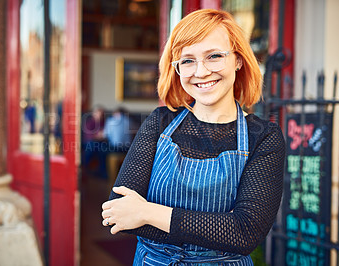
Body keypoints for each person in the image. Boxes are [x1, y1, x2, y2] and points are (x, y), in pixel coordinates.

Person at [101, 9, 285, 265]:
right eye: (187, 60)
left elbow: (245, 232)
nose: (201, 71)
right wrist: (214, 227)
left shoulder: (264, 137)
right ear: (176, 69)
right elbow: (118, 213)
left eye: (214, 56)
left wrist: (146, 212)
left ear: (238, 60)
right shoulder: (159, 122)